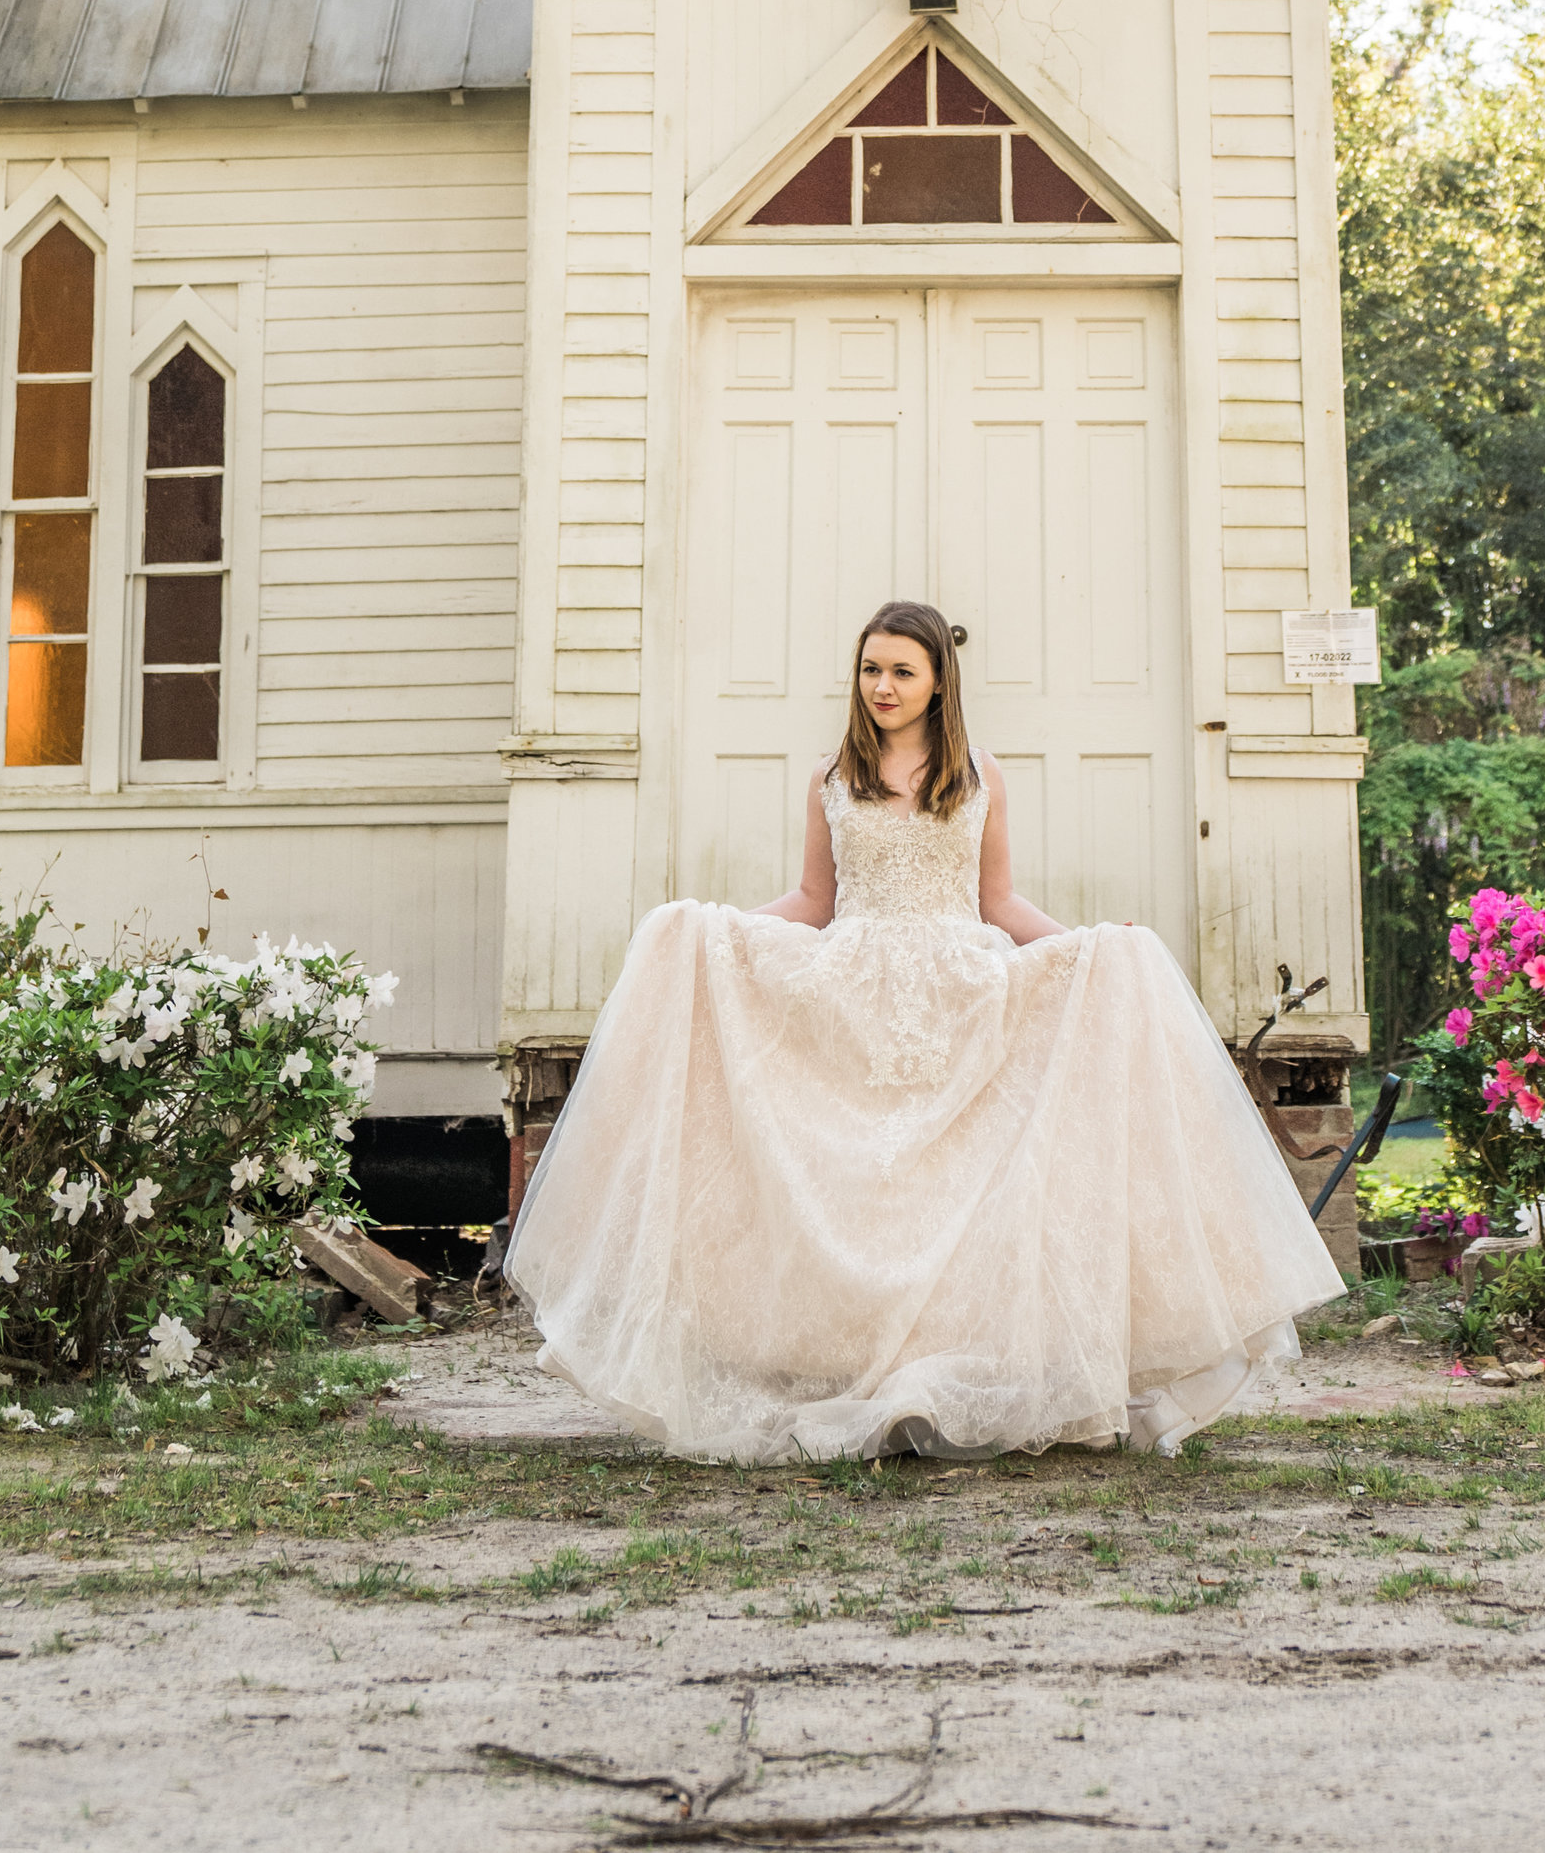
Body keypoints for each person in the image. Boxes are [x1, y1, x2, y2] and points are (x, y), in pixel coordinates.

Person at [502, 601, 1342, 1462]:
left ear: (940, 677)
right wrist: (718, 934)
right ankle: (859, 1364)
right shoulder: (833, 774)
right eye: (871, 669)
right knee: (869, 1180)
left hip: (958, 987)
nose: (884, 687)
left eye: (903, 671)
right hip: (855, 985)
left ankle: (952, 1369)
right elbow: (815, 902)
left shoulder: (978, 773)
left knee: (955, 1182)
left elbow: (998, 901)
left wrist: (1087, 947)